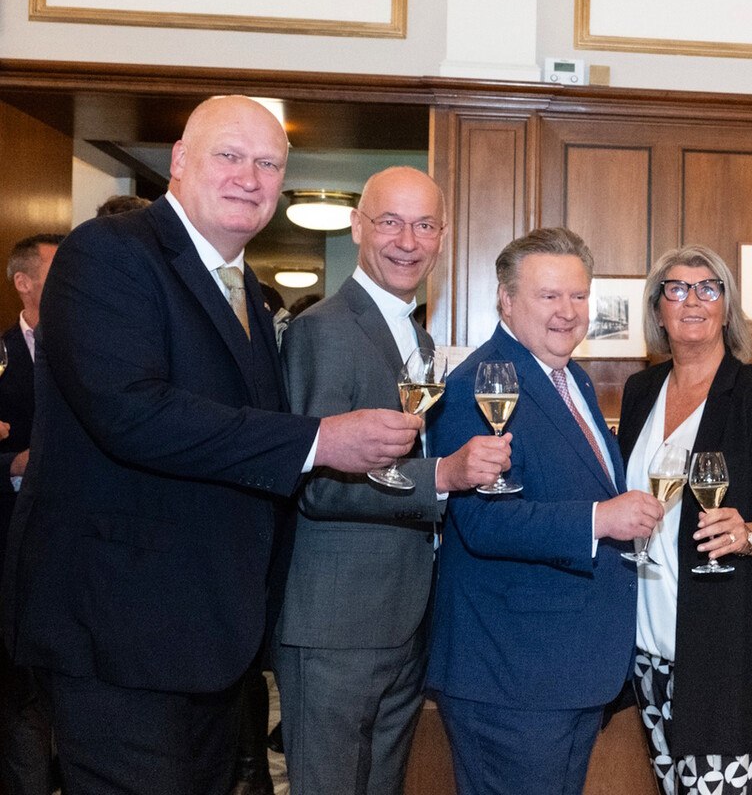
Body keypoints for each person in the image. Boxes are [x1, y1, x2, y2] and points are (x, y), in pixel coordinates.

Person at [6, 95, 422, 793]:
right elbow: (132, 414)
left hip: (210, 639)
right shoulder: (110, 252)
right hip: (119, 629)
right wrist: (317, 439)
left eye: (267, 164)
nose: (250, 178)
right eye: (229, 156)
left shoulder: (246, 292)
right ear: (179, 162)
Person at [273, 167, 511, 795]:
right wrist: (445, 475)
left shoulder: (420, 338)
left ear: (443, 237)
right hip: (337, 625)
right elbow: (317, 483)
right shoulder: (322, 329)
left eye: (425, 224)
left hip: (404, 618)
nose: (408, 240)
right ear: (358, 227)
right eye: (390, 221)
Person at [425, 226, 661, 795]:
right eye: (548, 296)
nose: (567, 312)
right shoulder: (479, 384)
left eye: (578, 296)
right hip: (512, 674)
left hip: (566, 670)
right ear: (506, 299)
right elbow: (483, 521)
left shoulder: (568, 376)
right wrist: (601, 519)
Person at [616, 245, 752, 795]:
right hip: (649, 648)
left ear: (727, 308)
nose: (692, 299)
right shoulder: (640, 392)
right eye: (676, 289)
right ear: (658, 310)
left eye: (708, 288)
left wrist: (748, 536)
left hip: (725, 652)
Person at [1, 233, 62, 795]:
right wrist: (13, 462)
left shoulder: (89, 346)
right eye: (56, 269)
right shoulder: (1, 354)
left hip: (75, 549)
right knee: (20, 703)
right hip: (10, 549)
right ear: (24, 283)